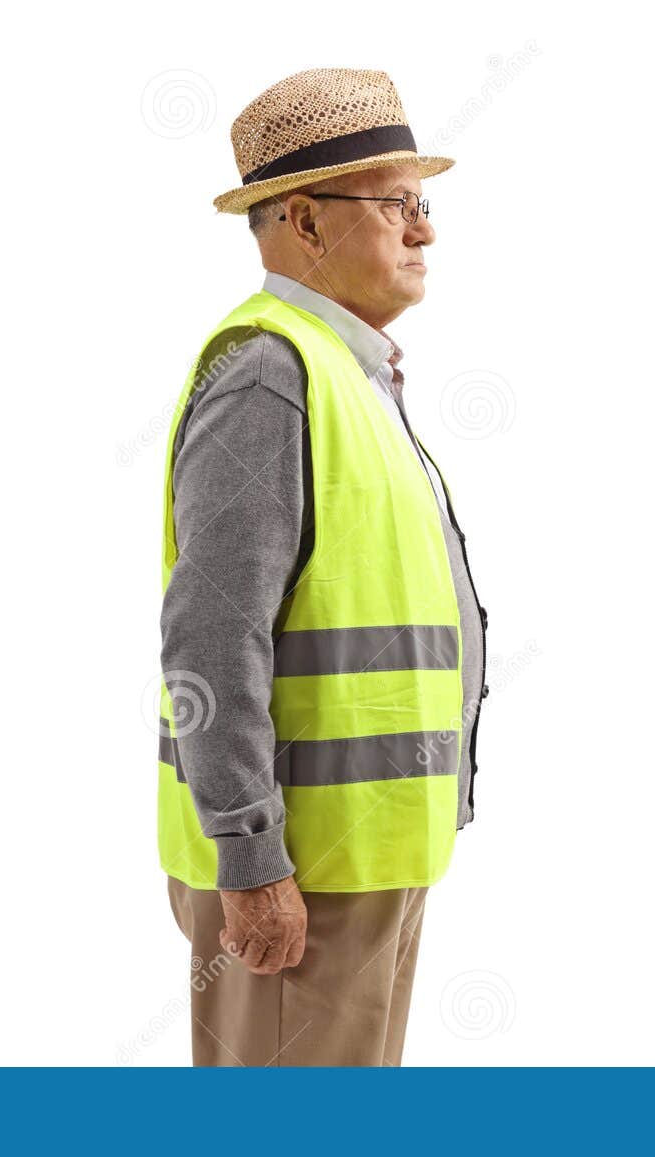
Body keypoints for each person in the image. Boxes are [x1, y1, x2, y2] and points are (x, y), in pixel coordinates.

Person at [155, 67, 488, 1066]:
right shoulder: (269, 371)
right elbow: (211, 636)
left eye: (421, 204)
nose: (422, 230)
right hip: (300, 870)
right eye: (396, 205)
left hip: (366, 854)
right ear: (302, 219)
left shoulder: (345, 372)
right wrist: (251, 857)